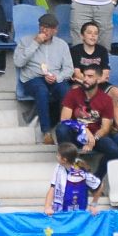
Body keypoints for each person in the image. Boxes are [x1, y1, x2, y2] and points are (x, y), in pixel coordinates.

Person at [15, 11, 73, 145]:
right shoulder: (26, 41)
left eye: (48, 28)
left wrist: (57, 77)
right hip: (32, 78)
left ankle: (65, 128)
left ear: (55, 30)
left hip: (54, 77)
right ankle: (46, 132)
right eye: (42, 26)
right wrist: (35, 43)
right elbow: (18, 62)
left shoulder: (62, 45)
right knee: (41, 90)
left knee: (66, 91)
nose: (44, 30)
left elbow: (69, 69)